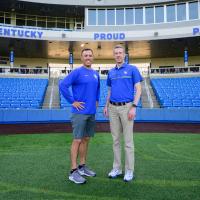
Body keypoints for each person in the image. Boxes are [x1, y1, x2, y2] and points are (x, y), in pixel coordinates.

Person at [59, 48, 100, 184]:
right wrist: (72, 101)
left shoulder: (95, 74)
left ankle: (82, 167)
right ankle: (73, 171)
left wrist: (97, 101)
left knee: (86, 139)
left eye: (90, 55)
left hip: (91, 113)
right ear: (81, 58)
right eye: (85, 55)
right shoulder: (77, 72)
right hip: (79, 113)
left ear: (93, 57)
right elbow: (63, 85)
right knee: (77, 140)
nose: (88, 57)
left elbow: (97, 89)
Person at [103, 45, 143, 182]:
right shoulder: (111, 72)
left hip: (127, 107)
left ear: (124, 55)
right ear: (113, 55)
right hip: (113, 108)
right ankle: (117, 168)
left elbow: (138, 89)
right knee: (115, 140)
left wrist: (134, 106)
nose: (118, 55)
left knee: (128, 141)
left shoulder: (132, 69)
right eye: (116, 53)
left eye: (120, 53)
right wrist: (106, 105)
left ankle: (129, 170)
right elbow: (109, 90)